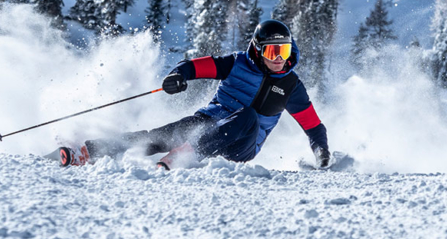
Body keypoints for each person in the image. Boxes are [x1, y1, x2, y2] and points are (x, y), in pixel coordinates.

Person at [58, 19, 331, 170]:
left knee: (248, 117)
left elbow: (314, 126)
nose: (279, 59)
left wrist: (321, 151)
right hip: (207, 122)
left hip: (241, 145)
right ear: (258, 50)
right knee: (156, 136)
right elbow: (194, 66)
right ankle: (89, 151)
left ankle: (186, 155)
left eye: (283, 51)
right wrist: (178, 76)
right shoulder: (236, 63)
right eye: (273, 51)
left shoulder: (291, 85)